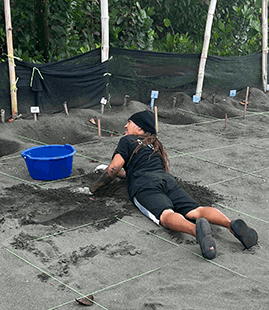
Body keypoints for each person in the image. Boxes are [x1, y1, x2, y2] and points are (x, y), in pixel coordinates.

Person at [90, 110, 258, 260]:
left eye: (129, 122)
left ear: (139, 129)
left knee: (165, 214)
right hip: (166, 180)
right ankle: (230, 224)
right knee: (196, 210)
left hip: (144, 184)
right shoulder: (154, 144)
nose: (125, 126)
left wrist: (92, 189)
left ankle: (196, 231)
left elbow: (114, 168)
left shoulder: (127, 140)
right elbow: (132, 169)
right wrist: (114, 171)